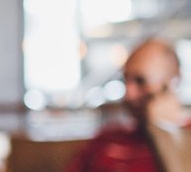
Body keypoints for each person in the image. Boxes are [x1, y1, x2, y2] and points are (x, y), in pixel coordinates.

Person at [67, 39, 191, 172]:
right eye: (125, 80)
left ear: (173, 82)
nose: (129, 94)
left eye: (140, 81)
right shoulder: (106, 140)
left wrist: (163, 128)